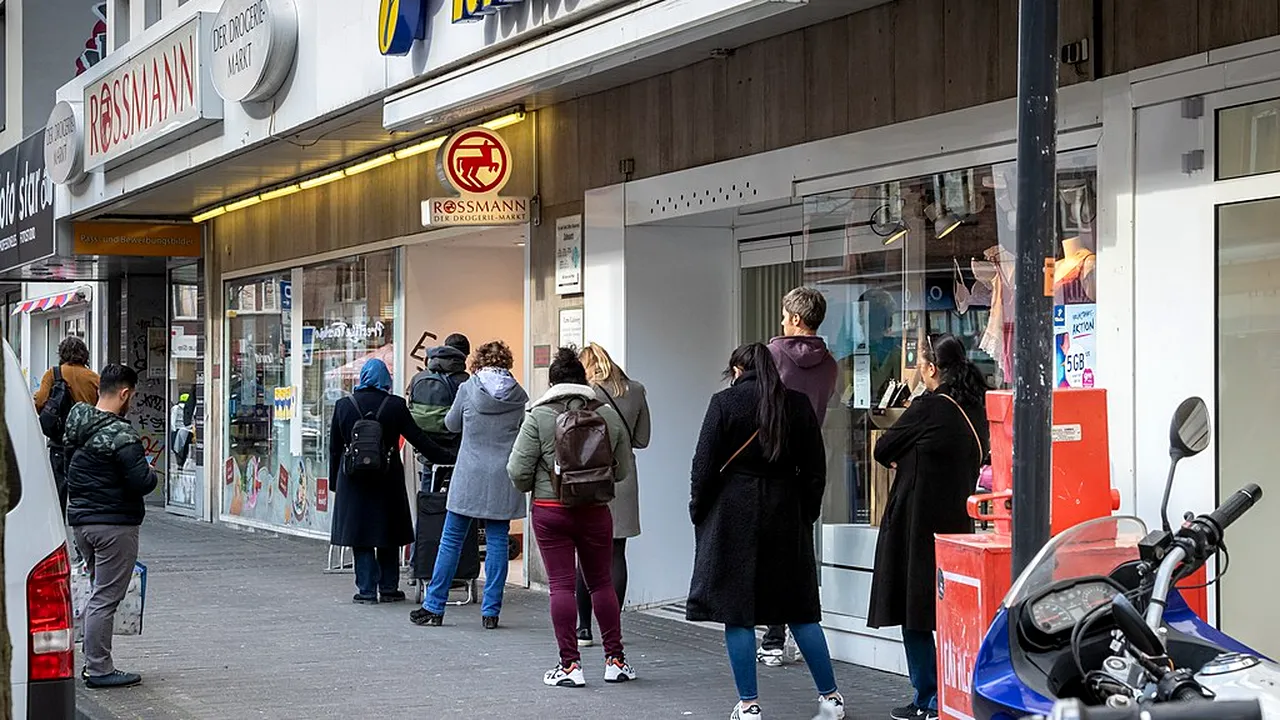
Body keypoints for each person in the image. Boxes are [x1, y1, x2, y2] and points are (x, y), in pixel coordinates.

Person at [687, 343, 846, 720]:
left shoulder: (725, 403)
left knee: (737, 613)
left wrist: (700, 510)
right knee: (800, 610)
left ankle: (749, 705)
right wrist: (806, 512)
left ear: (738, 370)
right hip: (786, 509)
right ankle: (831, 698)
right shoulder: (797, 404)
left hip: (734, 511)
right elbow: (815, 469)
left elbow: (703, 465)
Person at [868, 334, 989, 720]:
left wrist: (904, 455)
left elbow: (882, 448)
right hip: (958, 521)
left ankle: (928, 697)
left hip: (916, 521)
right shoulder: (976, 405)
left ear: (932, 369)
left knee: (915, 610)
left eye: (922, 364)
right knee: (951, 612)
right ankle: (953, 691)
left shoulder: (928, 407)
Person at [508, 347, 638, 687]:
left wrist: (538, 485)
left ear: (552, 382)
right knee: (602, 582)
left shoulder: (537, 416)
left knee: (562, 586)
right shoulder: (607, 415)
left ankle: (570, 666)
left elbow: (517, 470)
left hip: (551, 512)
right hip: (595, 510)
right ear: (583, 380)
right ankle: (616, 660)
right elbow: (622, 470)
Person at [410, 340, 527, 629]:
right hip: (502, 475)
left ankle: (434, 607)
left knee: (451, 538)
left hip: (469, 473)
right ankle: (491, 612)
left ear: (479, 362)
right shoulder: (518, 397)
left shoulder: (468, 389)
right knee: (498, 541)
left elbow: (451, 424)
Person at [329, 359, 455, 604]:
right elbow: (419, 439)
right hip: (387, 479)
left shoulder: (344, 405)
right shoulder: (394, 405)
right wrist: (449, 457)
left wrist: (336, 482)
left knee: (360, 534)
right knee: (387, 531)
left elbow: (335, 448)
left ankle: (365, 590)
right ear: (385, 379)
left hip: (353, 480)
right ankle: (388, 588)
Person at [760, 286, 838, 667]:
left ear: (793, 319)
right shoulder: (831, 363)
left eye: (783, 314)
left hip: (772, 458)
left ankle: (773, 637)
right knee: (797, 549)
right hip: (810, 458)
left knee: (768, 550)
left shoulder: (773, 355)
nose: (781, 320)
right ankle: (794, 630)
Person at [64, 364, 155, 689]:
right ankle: (99, 669)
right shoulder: (122, 435)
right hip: (114, 525)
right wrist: (151, 471)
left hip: (82, 523)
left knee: (97, 592)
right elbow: (142, 482)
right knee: (106, 596)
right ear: (125, 393)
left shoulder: (78, 424)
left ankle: (93, 662)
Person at [573, 343, 651, 648]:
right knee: (617, 553)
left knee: (586, 553)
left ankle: (583, 628)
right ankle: (611, 628)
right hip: (624, 477)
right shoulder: (636, 390)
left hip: (590, 476)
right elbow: (642, 439)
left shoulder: (586, 393)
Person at [34, 336, 100, 516]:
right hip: (86, 441)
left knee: (59, 487)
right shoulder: (94, 378)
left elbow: (40, 402)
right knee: (85, 486)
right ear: (84, 355)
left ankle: (60, 527)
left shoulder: (53, 374)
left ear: (61, 353)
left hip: (59, 441)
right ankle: (83, 523)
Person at [407, 333, 471, 459]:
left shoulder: (418, 377)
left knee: (428, 473)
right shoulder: (464, 380)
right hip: (452, 445)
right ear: (464, 355)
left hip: (424, 443)